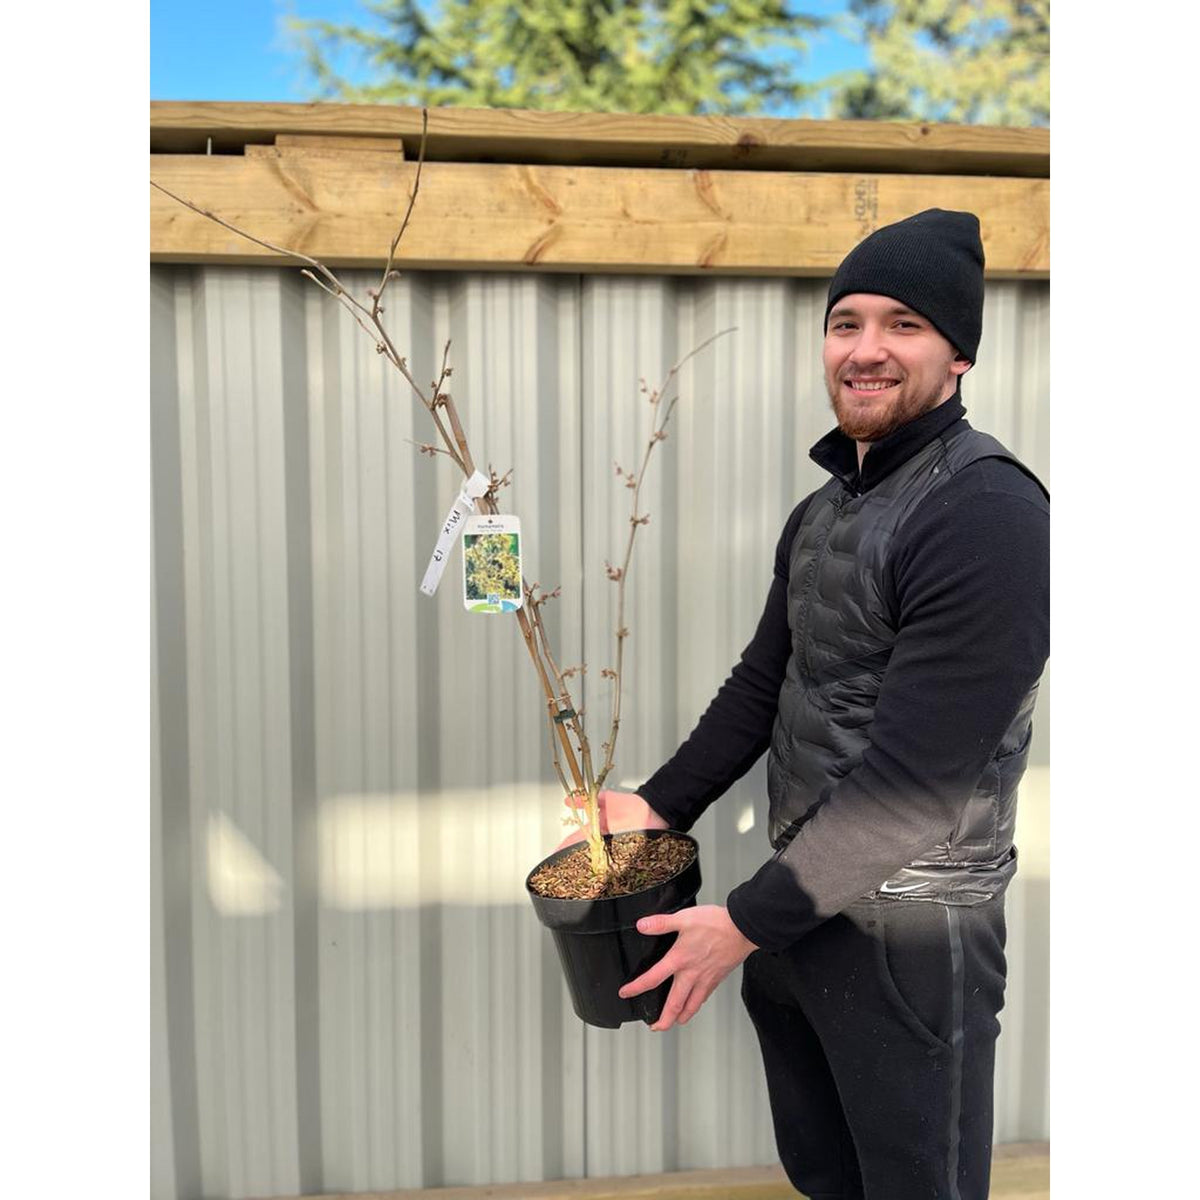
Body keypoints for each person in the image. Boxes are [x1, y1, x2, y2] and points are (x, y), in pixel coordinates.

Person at [559, 208, 1049, 1199]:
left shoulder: (987, 514)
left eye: (904, 324)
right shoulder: (827, 511)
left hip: (912, 934)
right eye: (847, 322)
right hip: (803, 908)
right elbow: (766, 682)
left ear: (958, 354)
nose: (866, 349)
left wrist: (740, 922)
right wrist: (657, 805)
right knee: (825, 1174)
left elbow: (918, 785)